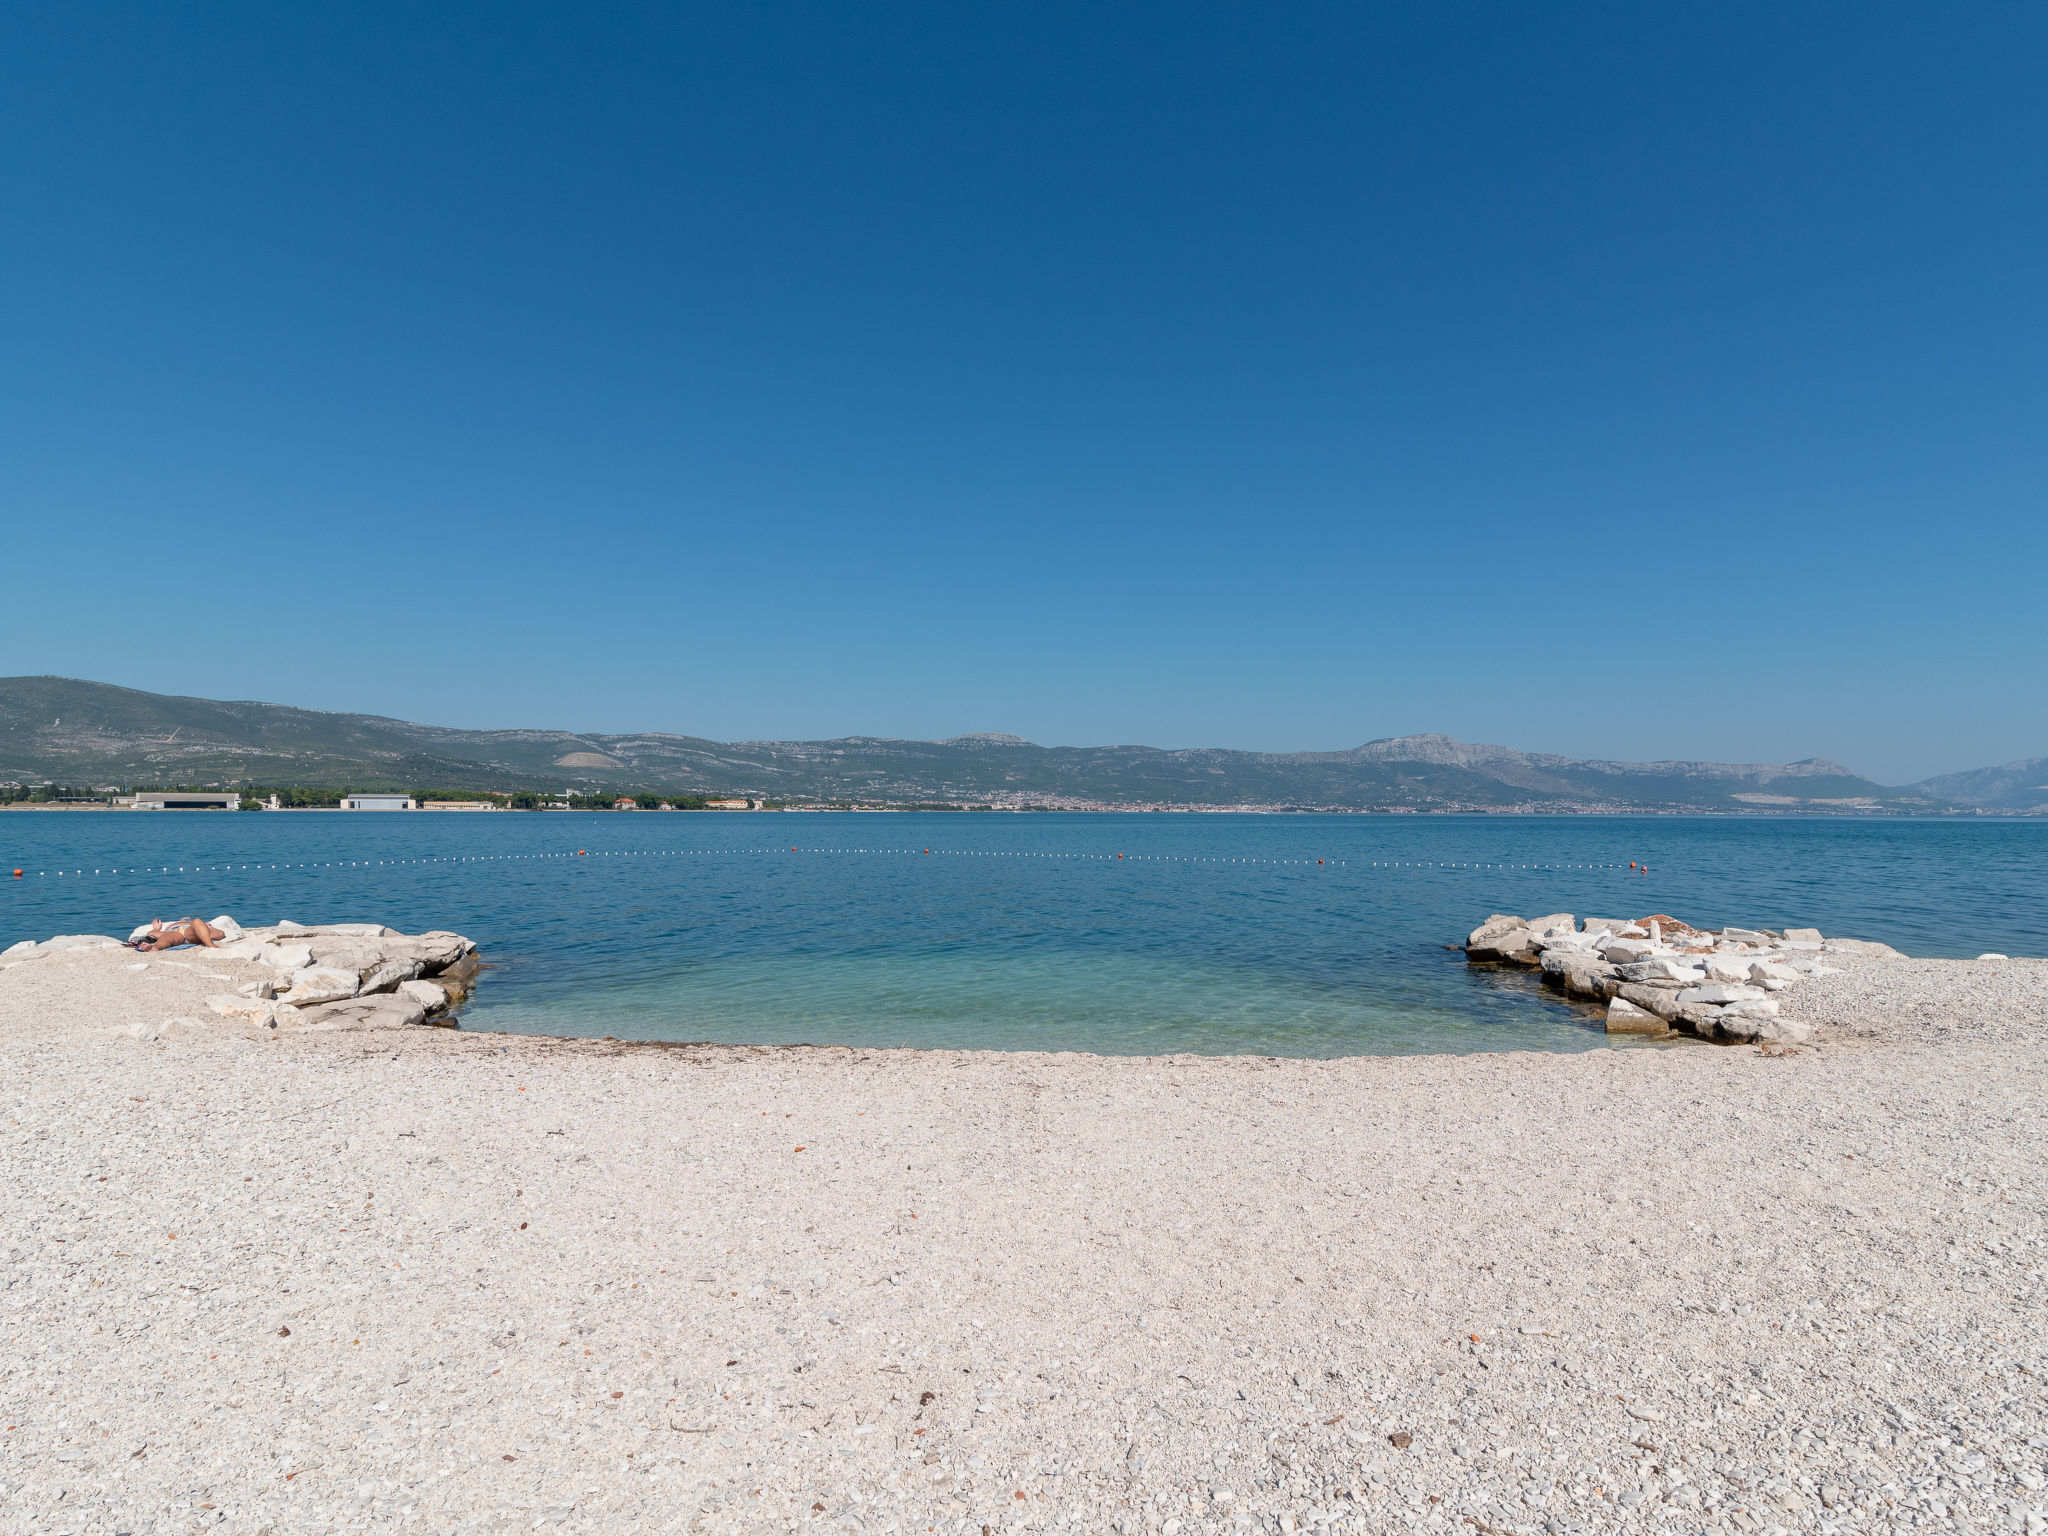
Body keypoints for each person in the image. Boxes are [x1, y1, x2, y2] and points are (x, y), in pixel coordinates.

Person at [127, 916, 225, 952]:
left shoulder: (195, 924)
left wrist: (210, 928)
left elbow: (220, 934)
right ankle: (154, 948)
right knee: (167, 937)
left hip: (189, 932)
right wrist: (156, 929)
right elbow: (151, 933)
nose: (184, 920)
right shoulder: (172, 927)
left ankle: (209, 944)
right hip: (176, 933)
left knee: (197, 921)